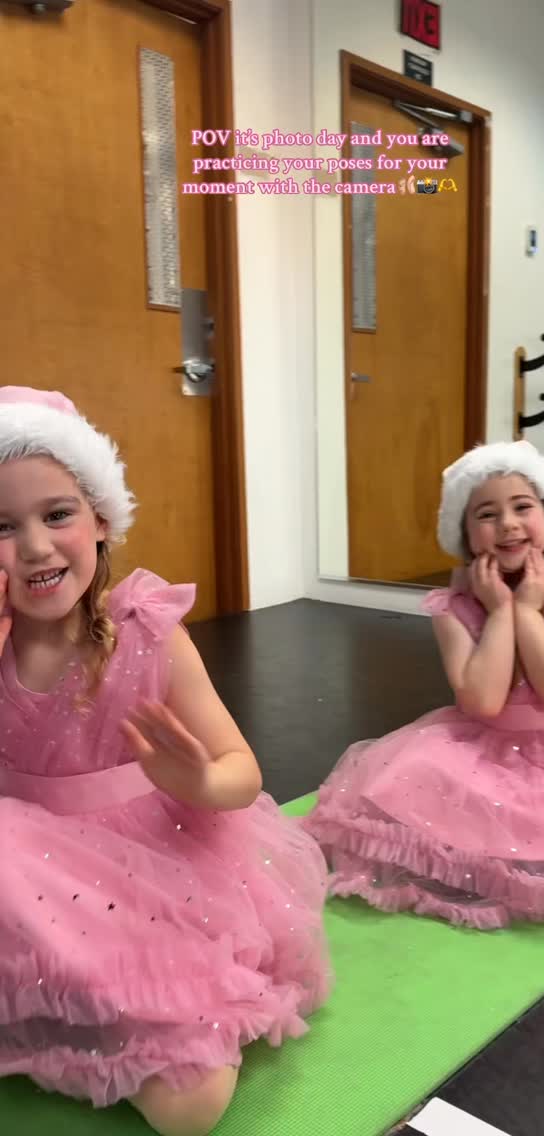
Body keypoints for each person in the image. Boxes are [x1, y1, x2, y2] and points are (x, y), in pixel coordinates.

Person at [0, 386, 332, 1136]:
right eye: (1, 527)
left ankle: (107, 1013)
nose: (34, 547)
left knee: (188, 1111)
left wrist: (201, 783)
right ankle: (56, 1012)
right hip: (17, 872)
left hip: (142, 869)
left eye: (56, 515)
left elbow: (238, 766)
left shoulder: (147, 634)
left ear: (101, 520)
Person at [304, 440, 544, 930]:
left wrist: (531, 609)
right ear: (466, 536)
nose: (507, 523)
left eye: (522, 507)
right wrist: (503, 611)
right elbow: (481, 700)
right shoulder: (453, 610)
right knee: (410, 781)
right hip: (484, 748)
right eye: (487, 514)